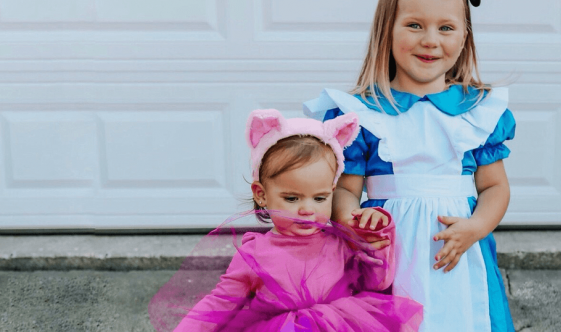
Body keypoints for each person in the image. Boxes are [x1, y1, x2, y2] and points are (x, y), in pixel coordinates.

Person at [303, 0, 516, 332]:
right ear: (387, 32)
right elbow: (344, 191)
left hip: (457, 254)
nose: (430, 40)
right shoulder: (363, 114)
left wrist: (476, 227)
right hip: (387, 254)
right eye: (414, 25)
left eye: (446, 28)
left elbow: (495, 187)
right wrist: (356, 223)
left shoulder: (477, 112)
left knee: (465, 319)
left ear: (464, 37)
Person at [149, 109, 422, 332]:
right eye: (292, 198)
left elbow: (375, 283)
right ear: (262, 195)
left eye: (319, 198)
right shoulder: (255, 254)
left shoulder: (340, 243)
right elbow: (221, 302)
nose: (306, 209)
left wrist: (375, 242)